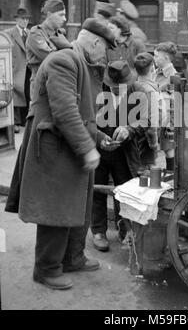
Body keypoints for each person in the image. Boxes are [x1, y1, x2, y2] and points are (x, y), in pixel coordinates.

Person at [5, 18, 116, 291]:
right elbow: (65, 112)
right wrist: (87, 148)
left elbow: (80, 115)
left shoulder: (78, 61)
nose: (105, 56)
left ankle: (72, 258)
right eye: (105, 49)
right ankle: (46, 269)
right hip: (54, 149)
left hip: (67, 146)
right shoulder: (64, 61)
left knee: (77, 206)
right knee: (55, 211)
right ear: (95, 42)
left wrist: (99, 139)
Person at [91, 60, 148, 252]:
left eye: (120, 87)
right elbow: (87, 118)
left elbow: (145, 120)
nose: (116, 90)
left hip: (125, 152)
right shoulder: (98, 91)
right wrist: (99, 137)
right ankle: (98, 231)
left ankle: (125, 229)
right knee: (97, 190)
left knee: (124, 192)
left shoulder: (137, 91)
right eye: (114, 87)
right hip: (99, 150)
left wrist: (129, 129)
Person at [26, 0, 71, 99]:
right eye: (61, 15)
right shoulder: (36, 33)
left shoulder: (59, 34)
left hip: (59, 87)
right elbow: (52, 58)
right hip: (41, 88)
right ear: (49, 15)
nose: (64, 19)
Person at [4, 8, 31, 133]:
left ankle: (25, 121)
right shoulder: (8, 33)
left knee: (26, 94)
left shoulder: (30, 33)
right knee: (14, 95)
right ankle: (15, 122)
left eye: (27, 19)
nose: (25, 21)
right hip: (15, 68)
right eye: (23, 18)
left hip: (28, 69)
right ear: (16, 19)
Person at [153, 42, 178, 171]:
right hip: (154, 118)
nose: (154, 58)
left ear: (166, 58)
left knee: (169, 150)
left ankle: (171, 176)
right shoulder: (155, 72)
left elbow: (174, 104)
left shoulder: (173, 77)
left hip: (166, 121)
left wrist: (171, 126)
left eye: (157, 56)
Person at [133, 52, 160, 168]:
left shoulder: (131, 87)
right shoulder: (150, 91)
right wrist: (154, 145)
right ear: (153, 68)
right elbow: (152, 125)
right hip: (146, 146)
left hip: (132, 142)